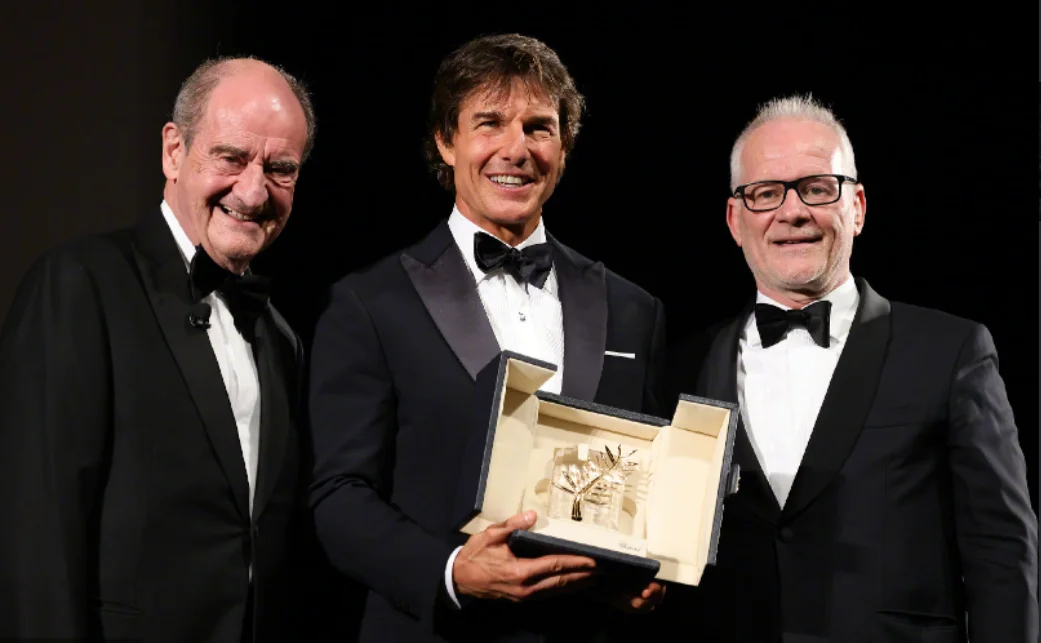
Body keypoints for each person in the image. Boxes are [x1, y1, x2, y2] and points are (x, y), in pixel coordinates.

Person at [308, 33, 666, 643]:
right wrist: (450, 571)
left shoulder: (634, 310)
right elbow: (339, 498)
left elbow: (646, 483)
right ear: (446, 141)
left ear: (564, 146)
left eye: (538, 127)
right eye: (490, 123)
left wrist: (651, 569)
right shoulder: (370, 304)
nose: (516, 149)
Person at [659, 94, 1039, 642]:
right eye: (765, 193)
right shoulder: (680, 370)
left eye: (817, 188)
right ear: (735, 220)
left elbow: (1002, 554)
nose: (793, 212)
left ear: (857, 207)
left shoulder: (951, 352)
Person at [0, 57, 316, 642]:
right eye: (231, 157)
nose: (253, 191)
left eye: (281, 169)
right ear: (174, 151)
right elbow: (35, 532)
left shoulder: (281, 338)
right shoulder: (81, 286)